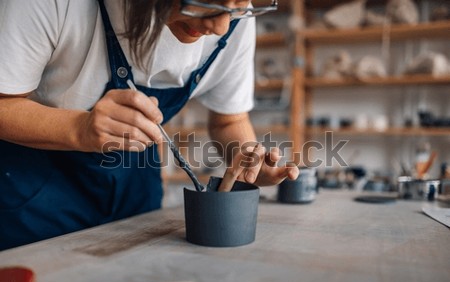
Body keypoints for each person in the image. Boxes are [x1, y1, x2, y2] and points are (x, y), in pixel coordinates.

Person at [0, 0, 299, 250]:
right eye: (205, 3)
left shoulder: (235, 19)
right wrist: (79, 129)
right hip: (36, 189)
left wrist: (248, 159)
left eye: (237, 6)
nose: (220, 26)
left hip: (134, 182)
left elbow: (229, 119)